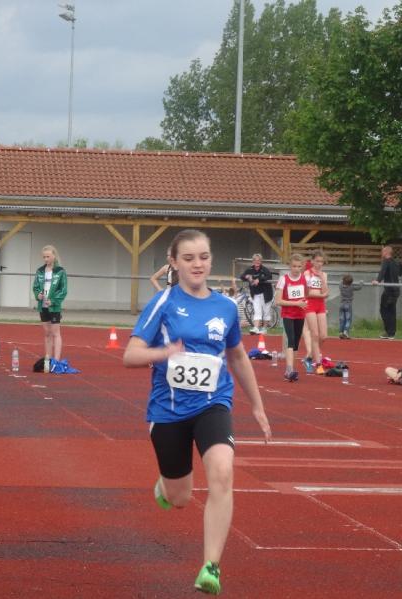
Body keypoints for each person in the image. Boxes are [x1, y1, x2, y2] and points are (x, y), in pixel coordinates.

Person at [123, 229, 271, 595]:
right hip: (169, 410)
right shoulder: (163, 303)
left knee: (222, 472)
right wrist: (163, 353)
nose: (197, 264)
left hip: (213, 403)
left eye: (203, 257)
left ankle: (211, 567)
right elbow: (130, 355)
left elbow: (237, 356)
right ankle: (166, 485)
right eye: (188, 258)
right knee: (181, 499)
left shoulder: (225, 306)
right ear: (174, 263)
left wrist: (257, 406)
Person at [275, 253, 310, 382]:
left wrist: (304, 303)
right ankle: (289, 369)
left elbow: (306, 295)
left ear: (302, 267)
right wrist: (296, 303)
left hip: (300, 314)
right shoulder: (283, 279)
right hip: (288, 314)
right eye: (294, 266)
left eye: (299, 266)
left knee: (296, 343)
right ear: (290, 266)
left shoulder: (304, 279)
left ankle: (291, 370)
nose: (296, 269)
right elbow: (278, 301)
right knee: (291, 339)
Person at [32, 245, 68, 363]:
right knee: (47, 333)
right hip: (42, 306)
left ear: (54, 256)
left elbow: (63, 290)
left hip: (54, 307)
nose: (46, 259)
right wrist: (38, 295)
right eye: (44, 257)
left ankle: (56, 360)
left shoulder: (60, 271)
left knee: (55, 333)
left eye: (48, 256)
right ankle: (48, 358)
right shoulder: (40, 271)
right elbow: (35, 287)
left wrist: (53, 301)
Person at [300, 251, 329, 375]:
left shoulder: (324, 274)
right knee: (315, 335)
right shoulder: (307, 273)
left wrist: (322, 279)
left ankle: (309, 357)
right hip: (310, 304)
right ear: (312, 261)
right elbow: (307, 293)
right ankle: (318, 364)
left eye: (321, 261)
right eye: (317, 261)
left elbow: (326, 292)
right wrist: (321, 294)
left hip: (320, 305)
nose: (319, 264)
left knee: (323, 336)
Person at [374, 245, 402, 340]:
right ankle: (392, 333)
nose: (381, 253)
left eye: (383, 251)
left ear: (387, 252)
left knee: (384, 310)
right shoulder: (396, 262)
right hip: (395, 290)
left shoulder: (386, 261)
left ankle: (389, 332)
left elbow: (382, 272)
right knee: (392, 311)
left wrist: (377, 281)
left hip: (389, 291)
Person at [238, 253, 273, 334]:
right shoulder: (250, 269)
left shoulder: (264, 269)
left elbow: (269, 276)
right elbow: (242, 276)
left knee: (266, 311)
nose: (257, 262)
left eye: (259, 260)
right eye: (255, 260)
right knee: (257, 311)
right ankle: (256, 328)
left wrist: (259, 280)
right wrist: (246, 277)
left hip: (266, 294)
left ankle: (264, 328)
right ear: (253, 261)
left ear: (261, 261)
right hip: (255, 294)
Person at [338, 274, 361, 339]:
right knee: (348, 319)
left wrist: (343, 280)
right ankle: (345, 332)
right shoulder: (351, 287)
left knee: (342, 319)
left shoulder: (340, 286)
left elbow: (340, 282)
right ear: (351, 282)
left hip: (341, 304)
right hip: (348, 305)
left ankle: (341, 332)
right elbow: (359, 287)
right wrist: (361, 283)